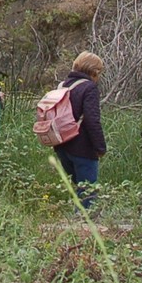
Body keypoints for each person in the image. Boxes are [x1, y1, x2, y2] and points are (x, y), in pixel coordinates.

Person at [51, 52, 106, 209]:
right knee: (88, 191)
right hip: (82, 146)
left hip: (61, 145)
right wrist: (100, 147)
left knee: (79, 188)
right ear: (94, 71)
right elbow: (92, 120)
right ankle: (83, 221)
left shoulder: (63, 85)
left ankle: (77, 218)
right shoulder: (89, 88)